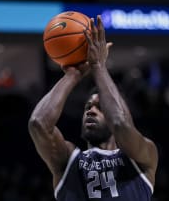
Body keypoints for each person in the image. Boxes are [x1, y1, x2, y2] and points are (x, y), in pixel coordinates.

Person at [28, 15, 158, 200]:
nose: (90, 110)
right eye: (88, 106)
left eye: (100, 107)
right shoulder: (69, 161)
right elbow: (38, 124)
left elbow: (120, 123)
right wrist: (73, 75)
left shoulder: (141, 156)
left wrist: (98, 66)